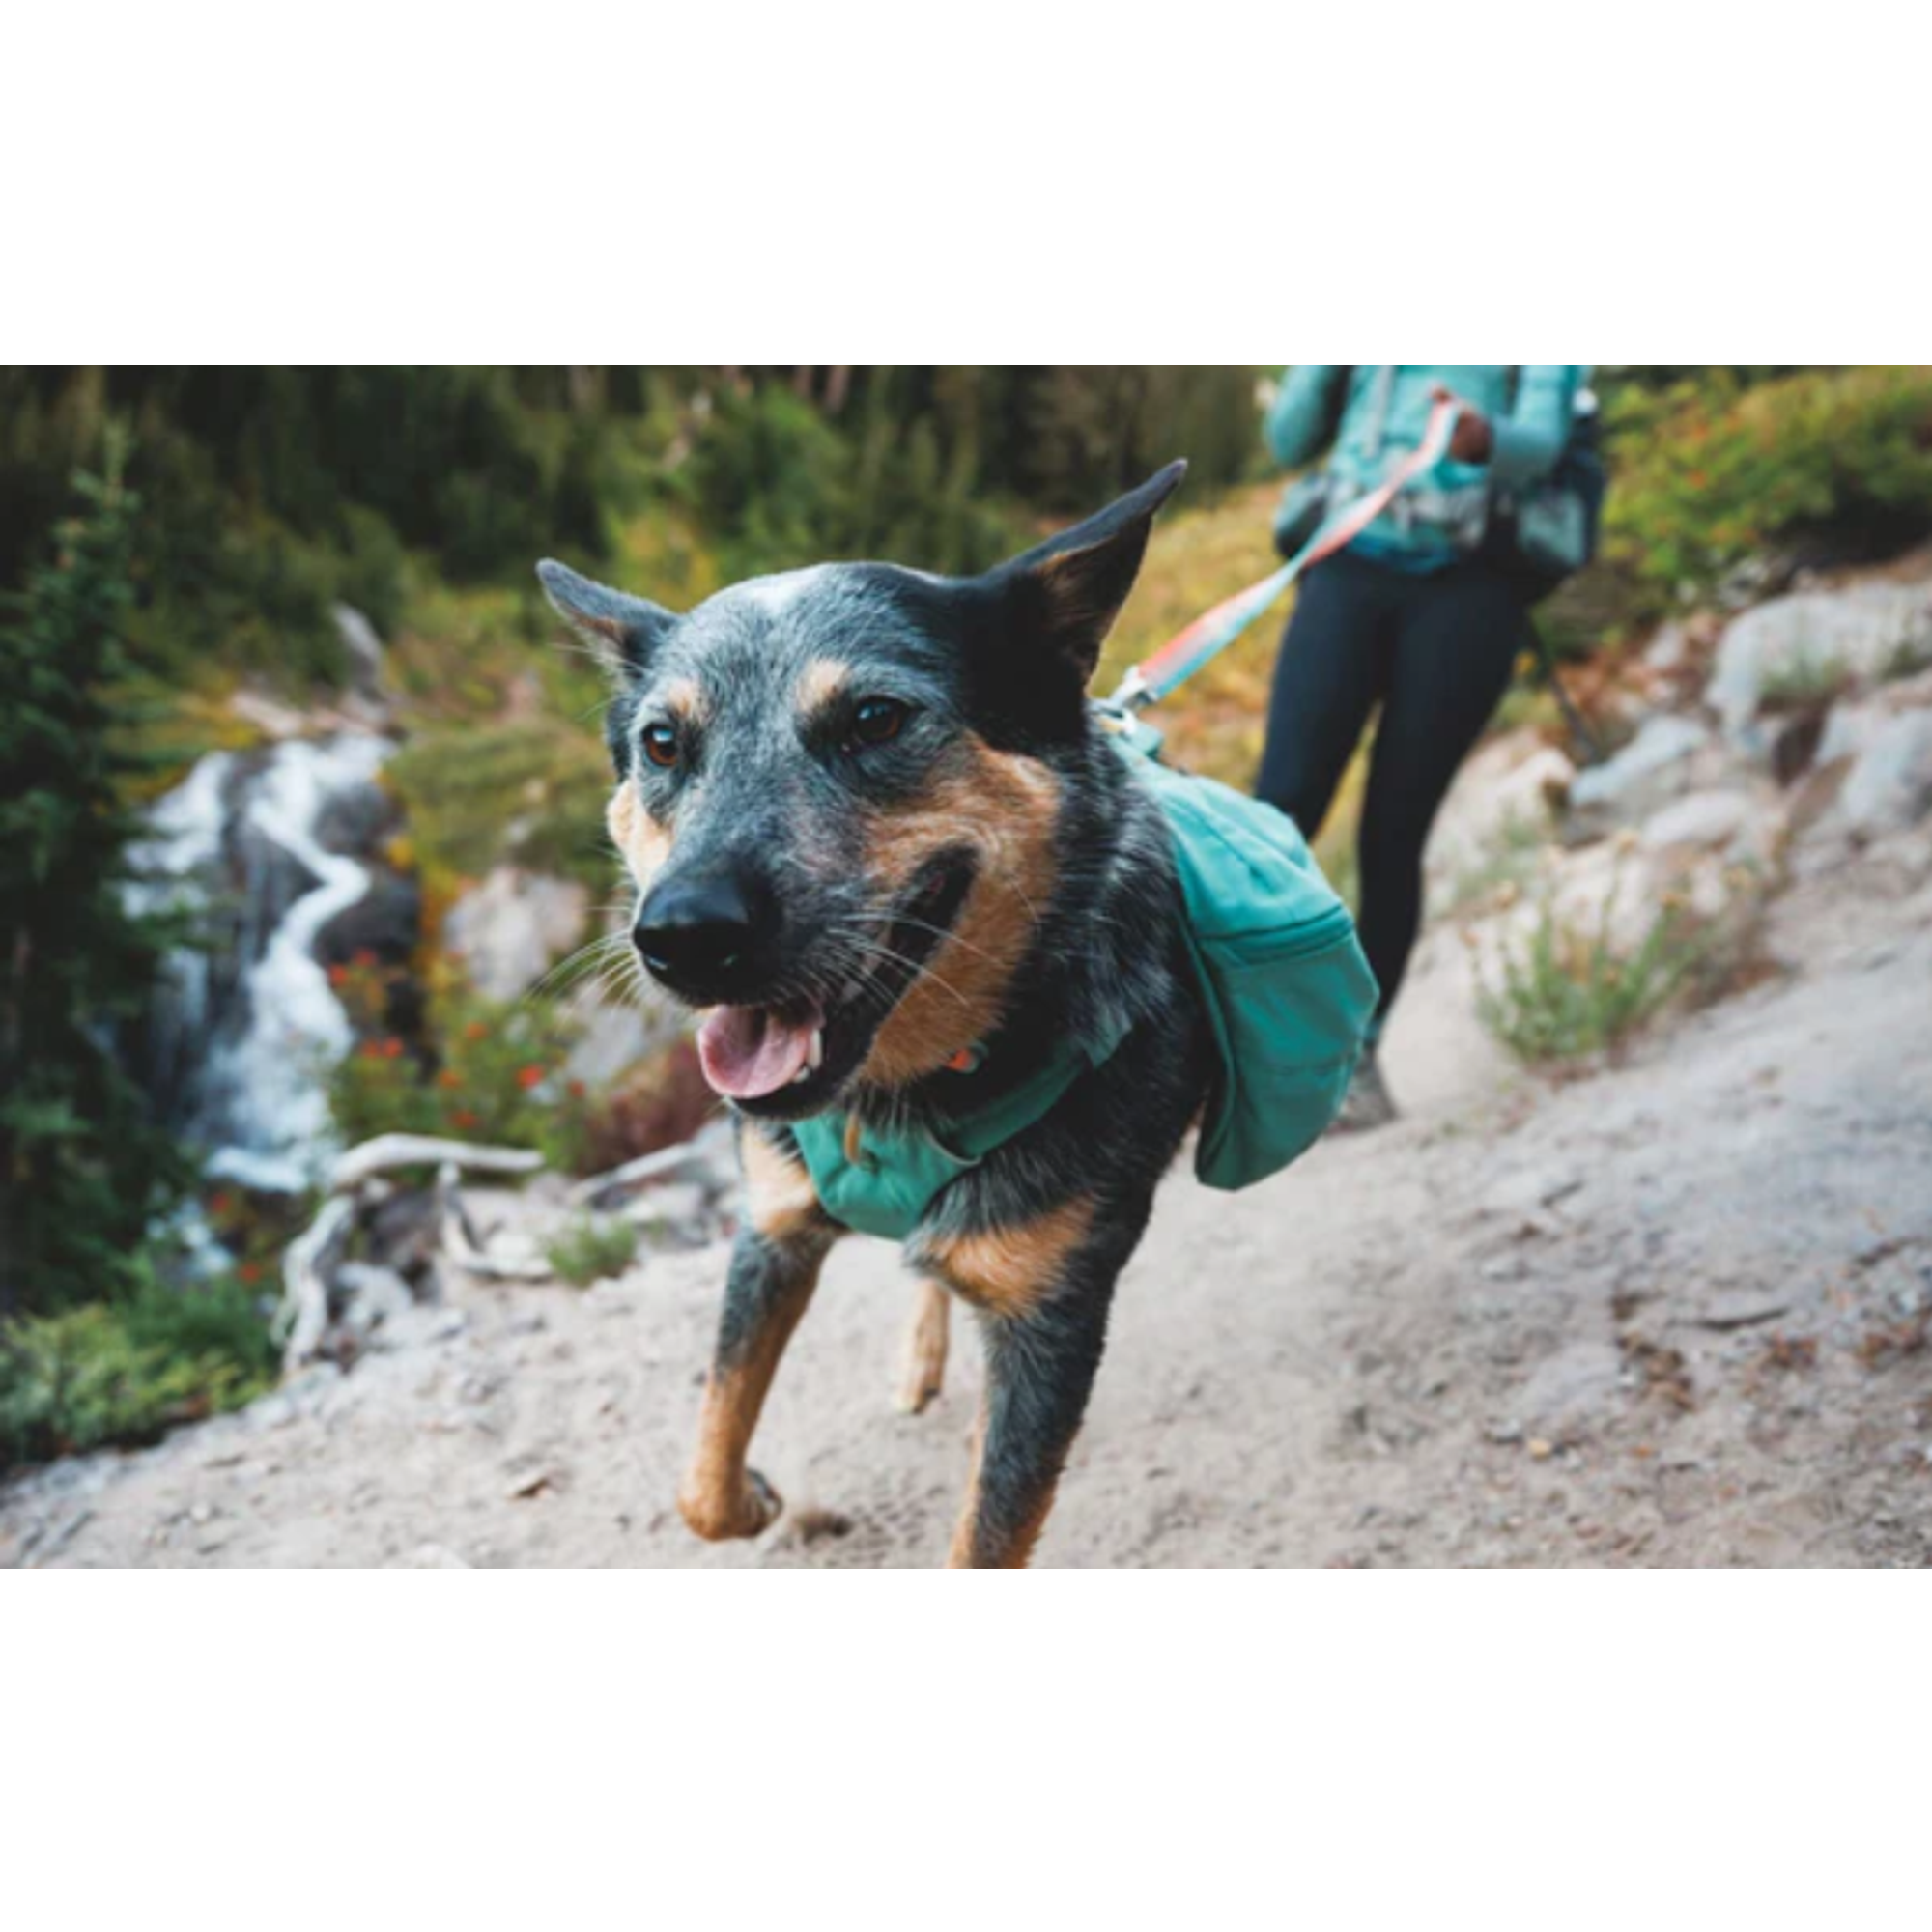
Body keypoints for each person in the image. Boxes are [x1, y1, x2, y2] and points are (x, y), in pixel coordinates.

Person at [1257, 364, 1584, 1128]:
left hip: (1468, 595)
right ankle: (1202, 1037)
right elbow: (1286, 441)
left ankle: (1353, 1061)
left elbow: (1541, 446)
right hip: (1347, 570)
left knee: (1393, 832)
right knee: (1279, 810)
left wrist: (1484, 438)